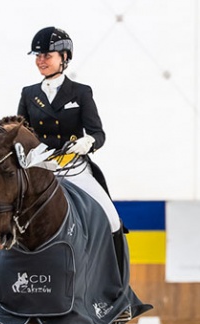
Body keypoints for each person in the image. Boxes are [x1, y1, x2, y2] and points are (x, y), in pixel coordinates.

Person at [17, 26, 128, 303]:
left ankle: (118, 295)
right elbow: (20, 132)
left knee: (112, 219)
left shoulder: (80, 92)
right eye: (38, 56)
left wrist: (88, 142)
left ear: (64, 57)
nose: (41, 60)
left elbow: (98, 132)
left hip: (75, 168)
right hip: (41, 170)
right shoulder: (29, 94)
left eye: (47, 55)